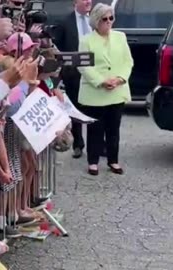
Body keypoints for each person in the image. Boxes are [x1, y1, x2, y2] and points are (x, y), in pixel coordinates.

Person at [77, 3, 133, 176]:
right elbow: (83, 66)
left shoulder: (120, 37)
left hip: (116, 91)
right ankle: (93, 162)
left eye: (111, 18)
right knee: (95, 129)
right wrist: (101, 81)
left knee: (113, 129)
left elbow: (127, 61)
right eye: (104, 19)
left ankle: (113, 160)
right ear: (96, 21)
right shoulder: (86, 40)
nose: (109, 22)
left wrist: (120, 79)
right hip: (95, 92)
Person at [55, 0, 92, 159]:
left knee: (95, 109)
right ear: (75, 2)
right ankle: (78, 144)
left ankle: (98, 145)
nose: (88, 1)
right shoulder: (64, 23)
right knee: (76, 110)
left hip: (95, 73)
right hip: (73, 75)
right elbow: (57, 49)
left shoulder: (97, 21)